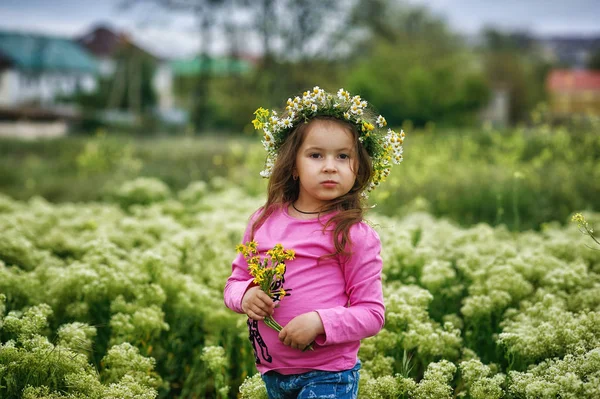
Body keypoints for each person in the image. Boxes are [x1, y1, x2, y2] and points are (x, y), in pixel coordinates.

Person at [224, 86, 404, 399]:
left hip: (329, 375)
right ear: (293, 164)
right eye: (316, 155)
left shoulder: (352, 234)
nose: (330, 166)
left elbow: (372, 314)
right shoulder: (262, 220)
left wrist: (320, 322)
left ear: (358, 167)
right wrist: (245, 296)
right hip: (272, 373)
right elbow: (235, 282)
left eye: (343, 156)